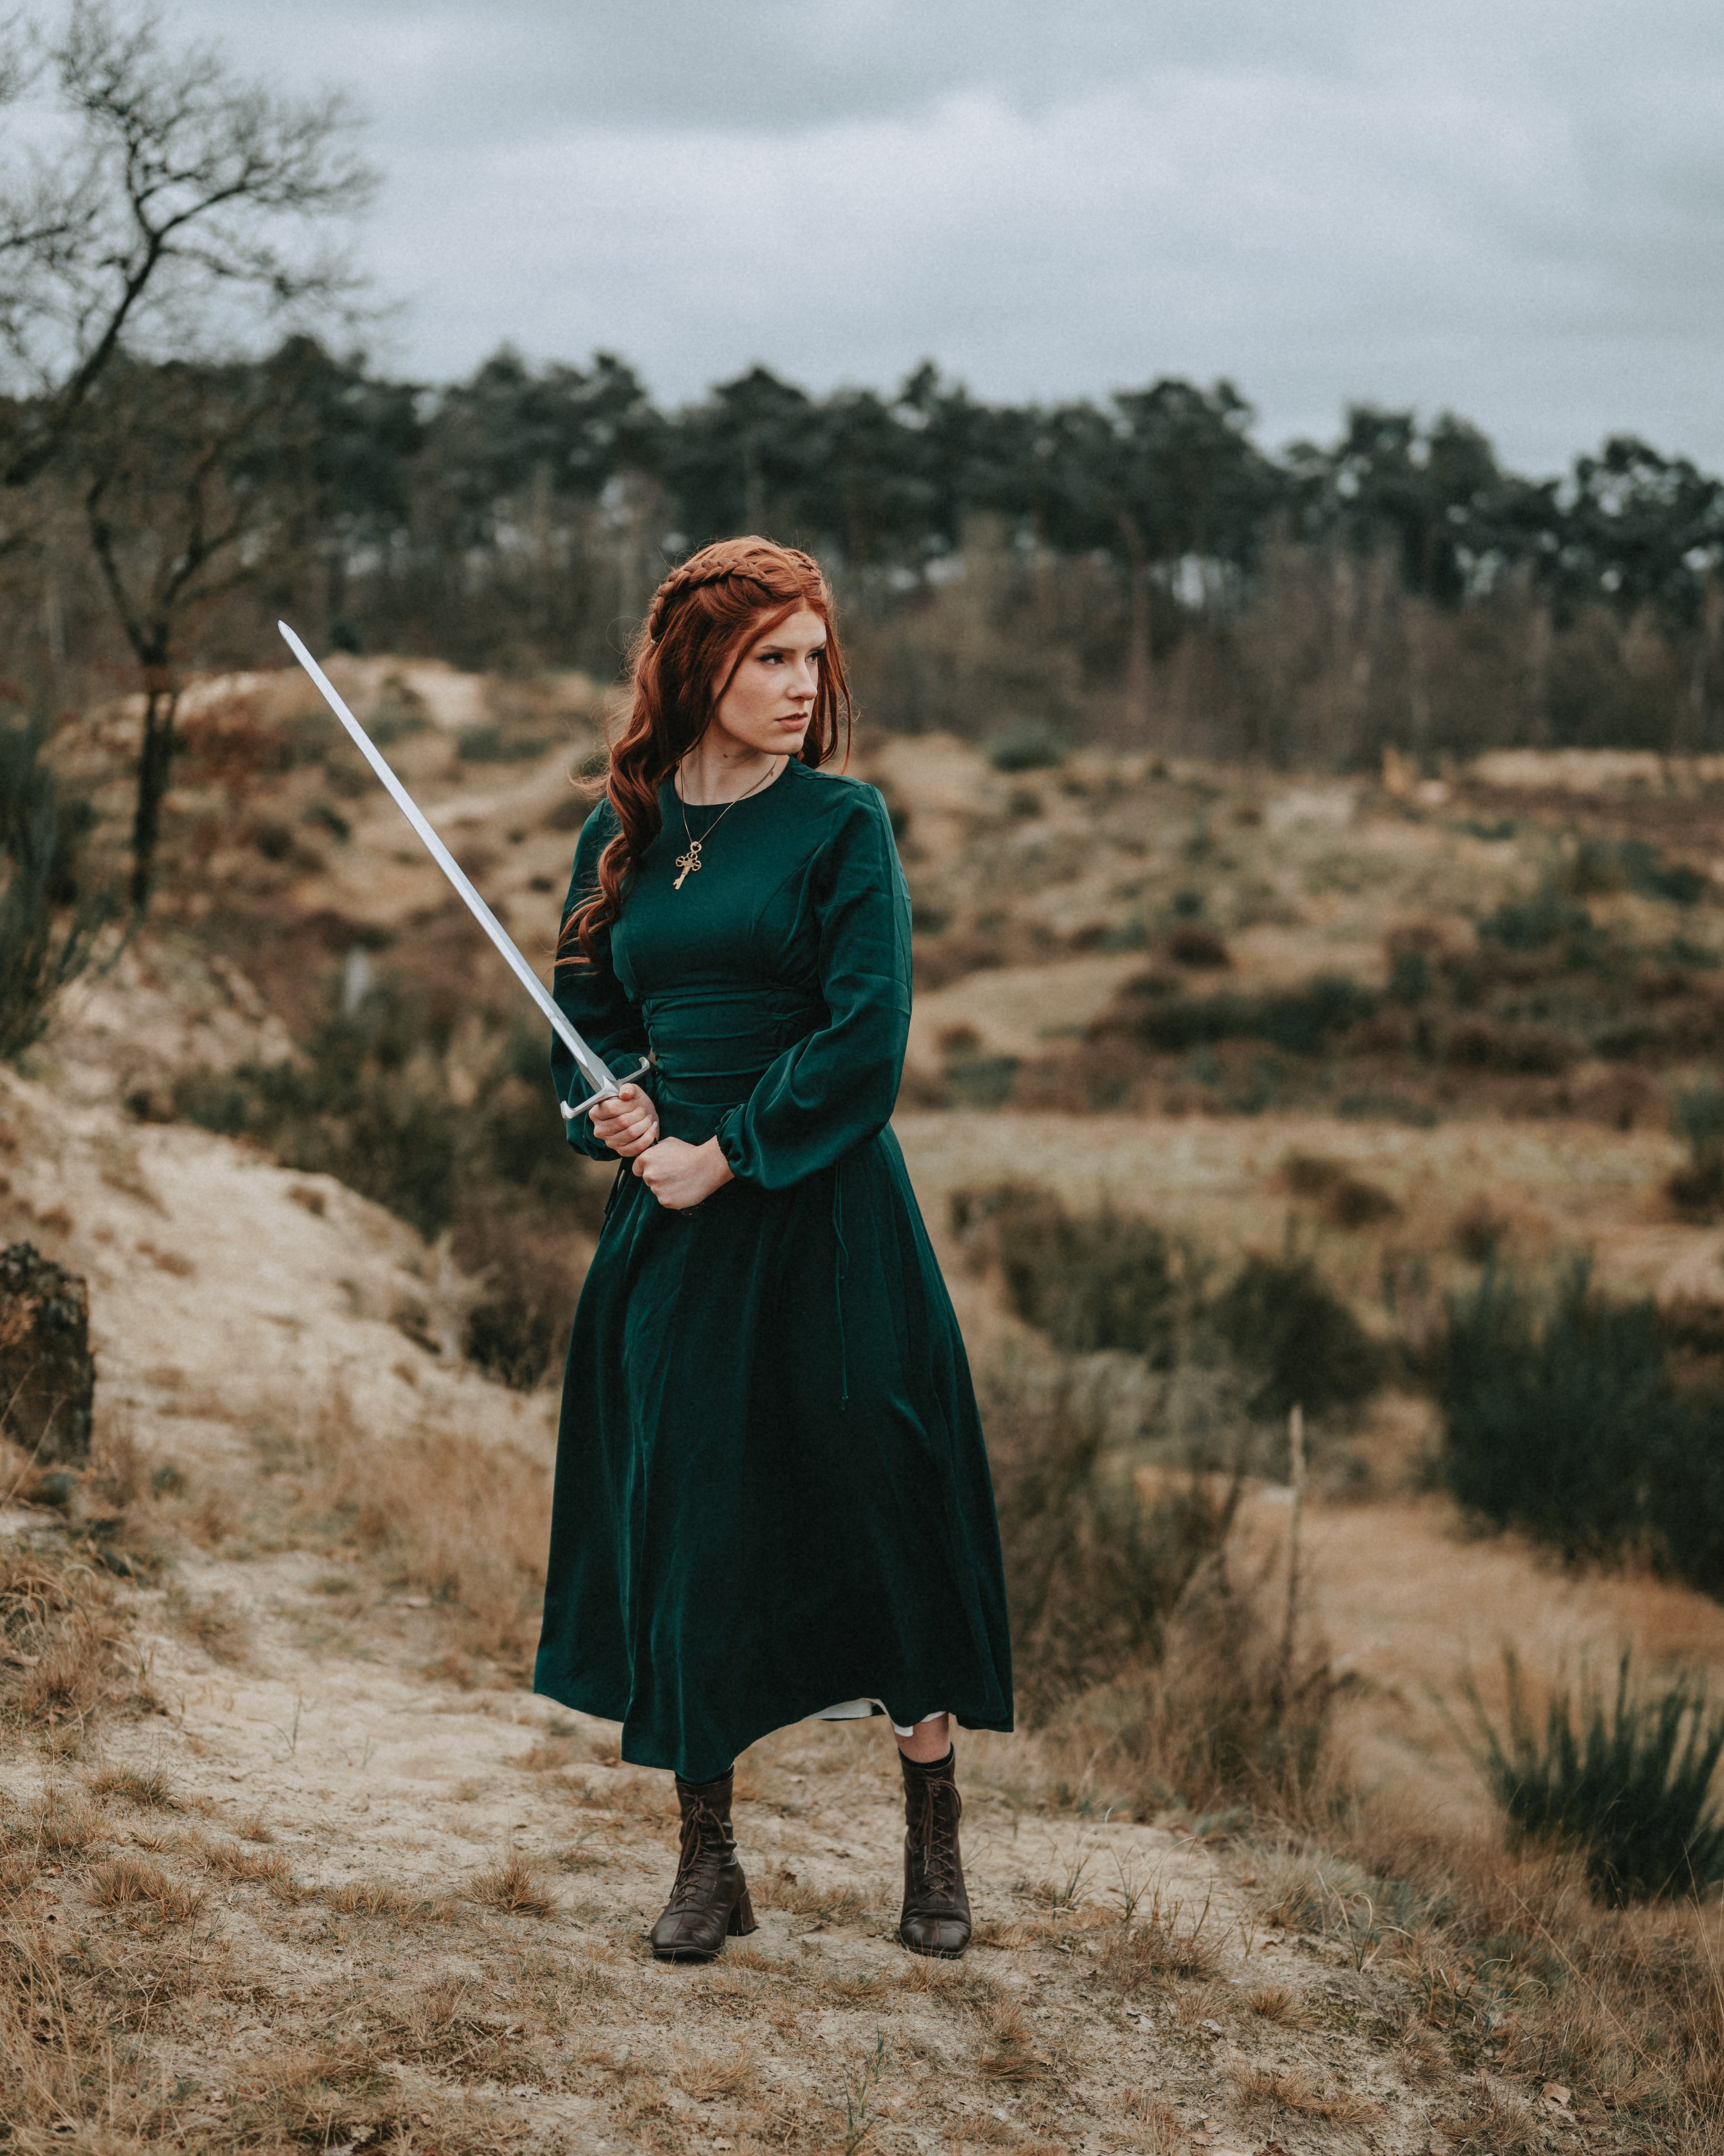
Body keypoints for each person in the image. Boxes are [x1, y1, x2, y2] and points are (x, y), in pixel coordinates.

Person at [533, 535, 1013, 1963]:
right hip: (669, 1233)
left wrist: (723, 1147)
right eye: (770, 659)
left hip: (822, 1214)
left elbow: (865, 1034)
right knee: (689, 1515)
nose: (803, 684)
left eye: (813, 657)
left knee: (882, 1494)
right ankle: (707, 1859)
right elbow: (580, 1018)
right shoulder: (615, 830)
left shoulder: (839, 825)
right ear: (701, 668)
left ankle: (931, 1843)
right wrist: (612, 1111)